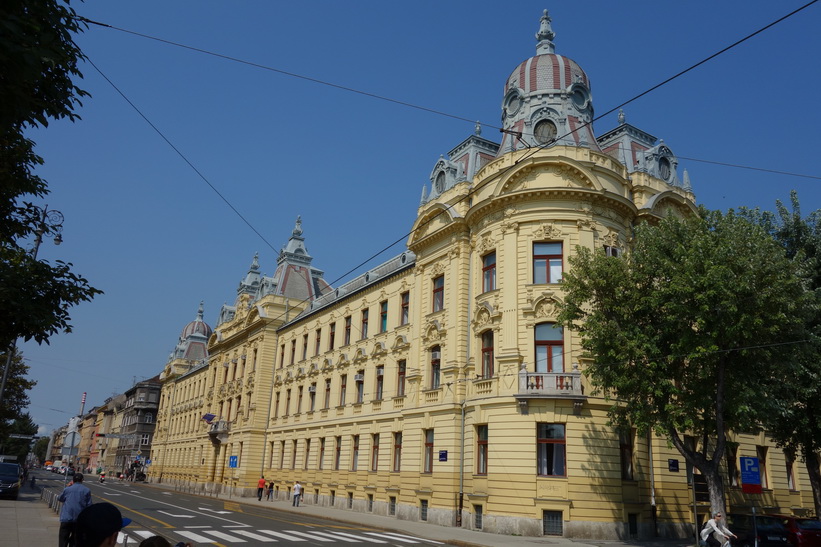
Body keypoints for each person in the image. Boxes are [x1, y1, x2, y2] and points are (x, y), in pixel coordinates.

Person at [58, 472, 92, 547]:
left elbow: (60, 498)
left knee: (63, 539)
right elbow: (89, 505)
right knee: (75, 540)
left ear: (73, 480)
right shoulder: (86, 490)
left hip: (66, 518)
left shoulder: (68, 489)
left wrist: (67, 487)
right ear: (82, 480)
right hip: (79, 519)